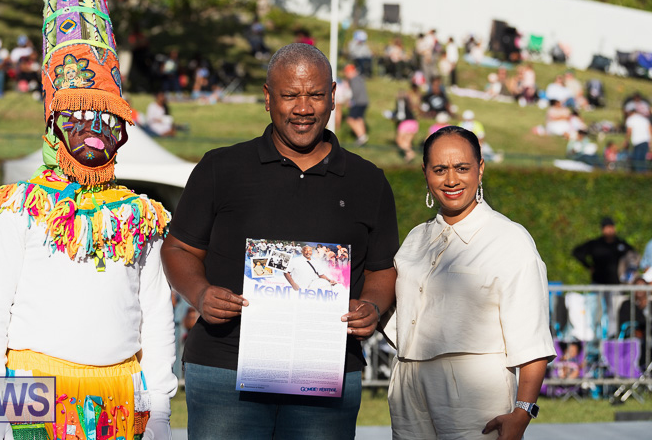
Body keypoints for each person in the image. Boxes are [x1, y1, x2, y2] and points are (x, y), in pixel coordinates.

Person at [0, 0, 176, 439]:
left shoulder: (138, 214)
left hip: (120, 404)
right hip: (32, 399)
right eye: (80, 114)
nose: (95, 131)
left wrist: (162, 404)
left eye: (107, 117)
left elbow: (156, 309)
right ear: (55, 124)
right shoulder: (19, 207)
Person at [161, 42, 399, 440]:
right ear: (268, 98)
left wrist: (371, 306)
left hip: (325, 373)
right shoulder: (221, 167)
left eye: (316, 95)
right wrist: (201, 294)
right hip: (225, 368)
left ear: (334, 96)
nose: (303, 108)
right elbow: (179, 248)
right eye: (290, 95)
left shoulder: (368, 180)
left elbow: (382, 268)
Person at [385, 125, 555, 440]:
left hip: (475, 394)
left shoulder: (509, 239)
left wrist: (523, 411)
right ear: (425, 173)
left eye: (462, 168)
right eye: (440, 170)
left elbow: (531, 336)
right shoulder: (415, 239)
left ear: (480, 170)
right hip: (408, 386)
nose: (451, 180)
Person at [572, 217, 634, 285]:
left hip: (617, 284)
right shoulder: (595, 244)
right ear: (603, 229)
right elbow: (577, 252)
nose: (610, 230)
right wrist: (588, 266)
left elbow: (633, 255)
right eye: (607, 228)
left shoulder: (621, 244)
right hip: (599, 282)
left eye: (611, 227)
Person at [343, 63, 369, 146]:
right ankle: (362, 137)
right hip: (364, 101)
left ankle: (361, 136)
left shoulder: (354, 79)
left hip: (358, 102)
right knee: (359, 119)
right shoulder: (359, 78)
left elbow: (356, 91)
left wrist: (351, 101)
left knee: (350, 119)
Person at [625, 107, 651, 173]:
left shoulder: (630, 119)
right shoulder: (644, 119)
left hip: (638, 142)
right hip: (645, 141)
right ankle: (643, 175)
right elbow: (650, 129)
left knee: (637, 161)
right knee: (642, 160)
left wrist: (626, 140)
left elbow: (629, 131)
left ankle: (638, 176)